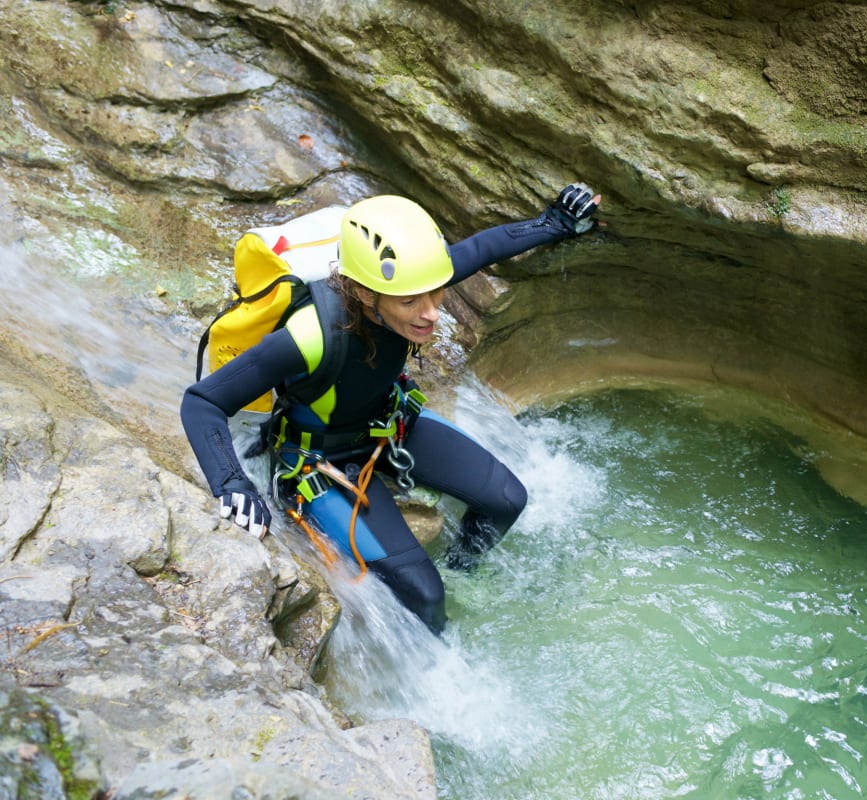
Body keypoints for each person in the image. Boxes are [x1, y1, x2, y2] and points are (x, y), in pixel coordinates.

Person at [181, 183, 601, 633]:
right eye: (411, 303)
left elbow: (481, 248)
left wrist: (555, 222)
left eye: (436, 294)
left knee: (506, 500)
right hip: (321, 463)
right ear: (365, 294)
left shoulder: (408, 282)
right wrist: (231, 483)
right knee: (425, 595)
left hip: (388, 425)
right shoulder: (309, 337)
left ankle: (463, 569)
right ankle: (437, 667)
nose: (431, 313)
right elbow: (202, 401)